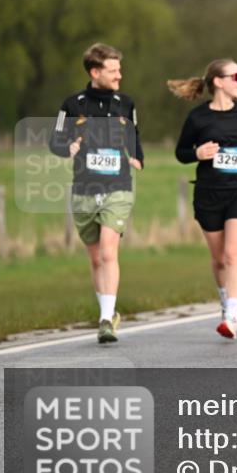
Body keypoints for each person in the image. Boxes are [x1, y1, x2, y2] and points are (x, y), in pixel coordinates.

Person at [170, 59, 237, 339]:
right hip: (209, 193)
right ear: (218, 81)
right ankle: (226, 301)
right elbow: (181, 152)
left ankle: (233, 317)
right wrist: (198, 154)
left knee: (234, 254)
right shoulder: (198, 118)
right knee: (218, 260)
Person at [50, 43, 144, 344]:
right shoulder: (71, 104)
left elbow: (134, 136)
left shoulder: (126, 103)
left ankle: (106, 318)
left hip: (118, 185)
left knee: (107, 251)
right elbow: (55, 141)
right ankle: (107, 312)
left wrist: (137, 157)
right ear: (95, 71)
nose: (120, 75)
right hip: (84, 188)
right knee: (95, 259)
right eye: (113, 70)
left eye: (119, 69)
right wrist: (69, 148)